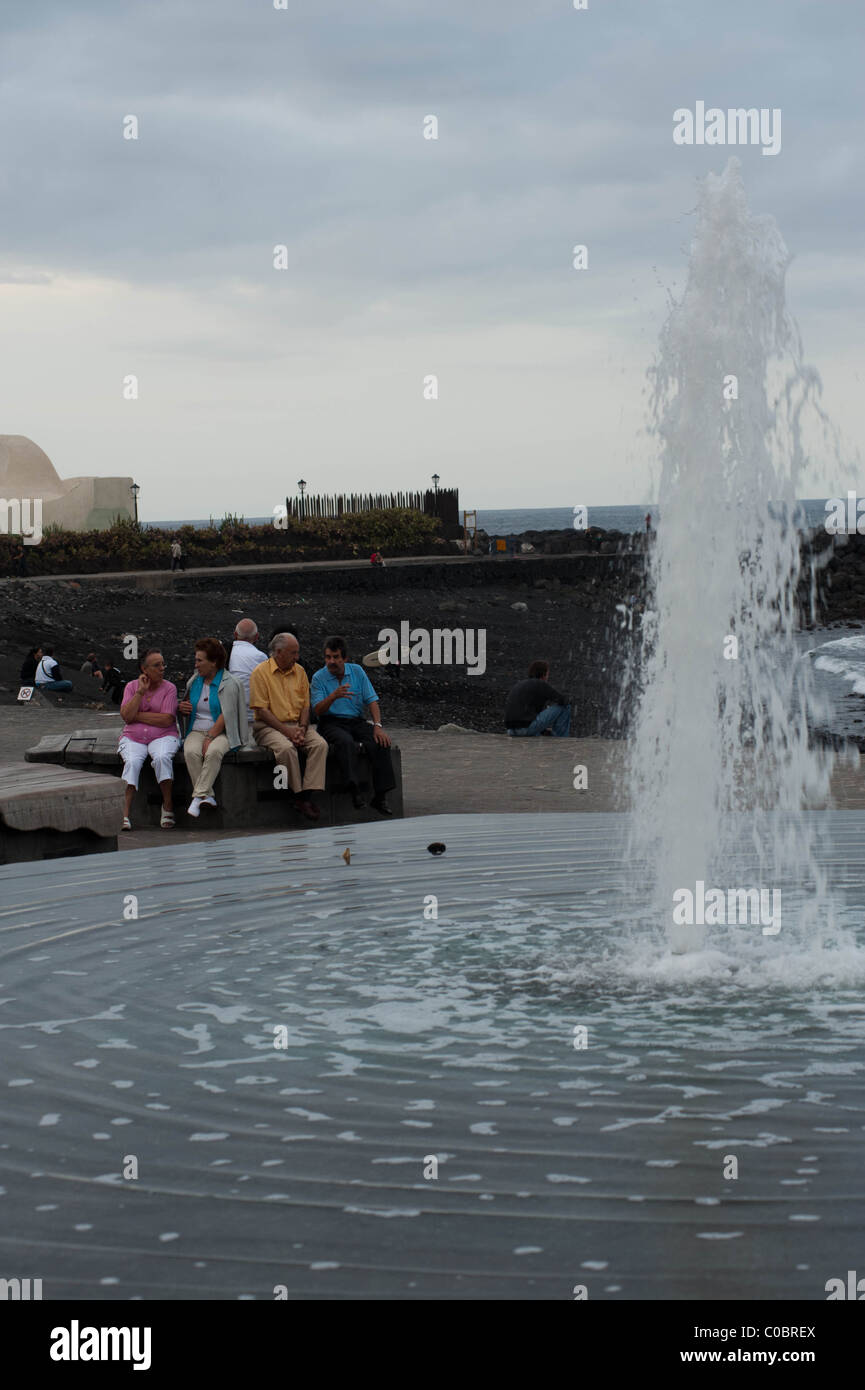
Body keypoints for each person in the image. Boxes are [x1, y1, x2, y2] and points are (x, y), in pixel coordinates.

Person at [311, 636, 395, 815]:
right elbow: (317, 710)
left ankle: (380, 796)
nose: (331, 661)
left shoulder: (356, 671)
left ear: (345, 659)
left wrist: (377, 725)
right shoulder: (319, 677)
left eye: (335, 657)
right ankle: (354, 790)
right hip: (330, 722)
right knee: (345, 742)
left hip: (355, 720)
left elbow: (372, 700)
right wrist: (333, 696)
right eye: (328, 657)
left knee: (380, 742)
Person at [249, 633, 327, 821]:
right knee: (285, 749)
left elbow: (305, 706)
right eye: (293, 653)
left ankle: (307, 795)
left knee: (320, 745)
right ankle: (298, 795)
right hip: (268, 727)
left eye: (297, 652)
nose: (297, 657)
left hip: (297, 725)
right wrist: (288, 732)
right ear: (278, 652)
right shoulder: (260, 673)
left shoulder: (299, 671)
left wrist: (302, 728)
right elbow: (262, 710)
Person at [178, 638, 246, 819]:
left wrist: (210, 737)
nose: (196, 664)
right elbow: (186, 705)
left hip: (223, 731)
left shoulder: (229, 683)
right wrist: (182, 707)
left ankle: (197, 797)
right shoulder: (194, 682)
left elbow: (228, 714)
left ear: (213, 662)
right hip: (196, 729)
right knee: (191, 751)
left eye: (200, 660)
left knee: (214, 752)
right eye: (196, 660)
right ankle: (206, 796)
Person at [118, 649, 180, 830]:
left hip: (163, 735)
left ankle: (167, 805)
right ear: (144, 669)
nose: (162, 668)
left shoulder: (169, 688)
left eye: (163, 664)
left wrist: (138, 715)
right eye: (157, 665)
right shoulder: (131, 687)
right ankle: (124, 813)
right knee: (132, 762)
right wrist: (140, 693)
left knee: (161, 758)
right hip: (133, 737)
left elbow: (167, 719)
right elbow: (126, 717)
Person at [504, 660, 571, 737]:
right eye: (547, 674)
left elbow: (527, 716)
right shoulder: (540, 684)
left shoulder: (519, 684)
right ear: (544, 674)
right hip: (526, 729)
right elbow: (563, 700)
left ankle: (543, 734)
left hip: (511, 730)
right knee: (565, 707)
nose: (547, 677)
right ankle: (560, 738)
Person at [228, 617, 268, 727]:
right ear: (256, 637)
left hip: (230, 714)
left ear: (235, 634)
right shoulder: (261, 657)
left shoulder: (226, 653)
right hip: (253, 716)